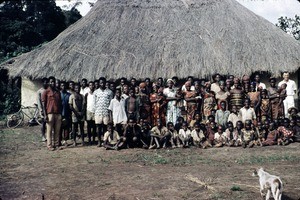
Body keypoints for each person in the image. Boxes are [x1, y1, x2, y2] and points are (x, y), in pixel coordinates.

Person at [41, 76, 62, 151]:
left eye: (53, 81)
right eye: (51, 82)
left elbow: (60, 103)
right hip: (49, 113)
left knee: (57, 130)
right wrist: (45, 115)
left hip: (58, 113)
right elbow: (43, 104)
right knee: (49, 131)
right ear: (49, 83)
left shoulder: (58, 92)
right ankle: (49, 145)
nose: (52, 83)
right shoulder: (45, 92)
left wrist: (60, 114)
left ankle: (56, 145)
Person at [93, 77, 114, 147]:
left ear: (105, 83)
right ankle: (99, 141)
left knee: (106, 128)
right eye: (101, 82)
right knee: (98, 127)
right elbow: (94, 103)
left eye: (103, 82)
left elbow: (111, 104)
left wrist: (110, 114)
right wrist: (94, 112)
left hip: (106, 112)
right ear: (99, 83)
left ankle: (105, 141)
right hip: (98, 112)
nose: (102, 84)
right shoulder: (95, 92)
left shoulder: (110, 92)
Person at [37, 77, 48, 142]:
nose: (46, 83)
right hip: (43, 110)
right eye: (45, 82)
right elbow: (39, 102)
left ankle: (48, 135)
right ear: (42, 83)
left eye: (47, 82)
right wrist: (41, 110)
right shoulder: (40, 91)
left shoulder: (49, 90)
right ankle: (43, 136)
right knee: (43, 123)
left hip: (48, 109)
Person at [60, 81, 71, 146]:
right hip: (60, 113)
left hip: (67, 113)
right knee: (60, 127)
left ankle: (65, 140)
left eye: (64, 86)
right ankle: (60, 140)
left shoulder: (69, 95)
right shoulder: (58, 94)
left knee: (66, 128)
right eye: (62, 86)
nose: (63, 87)